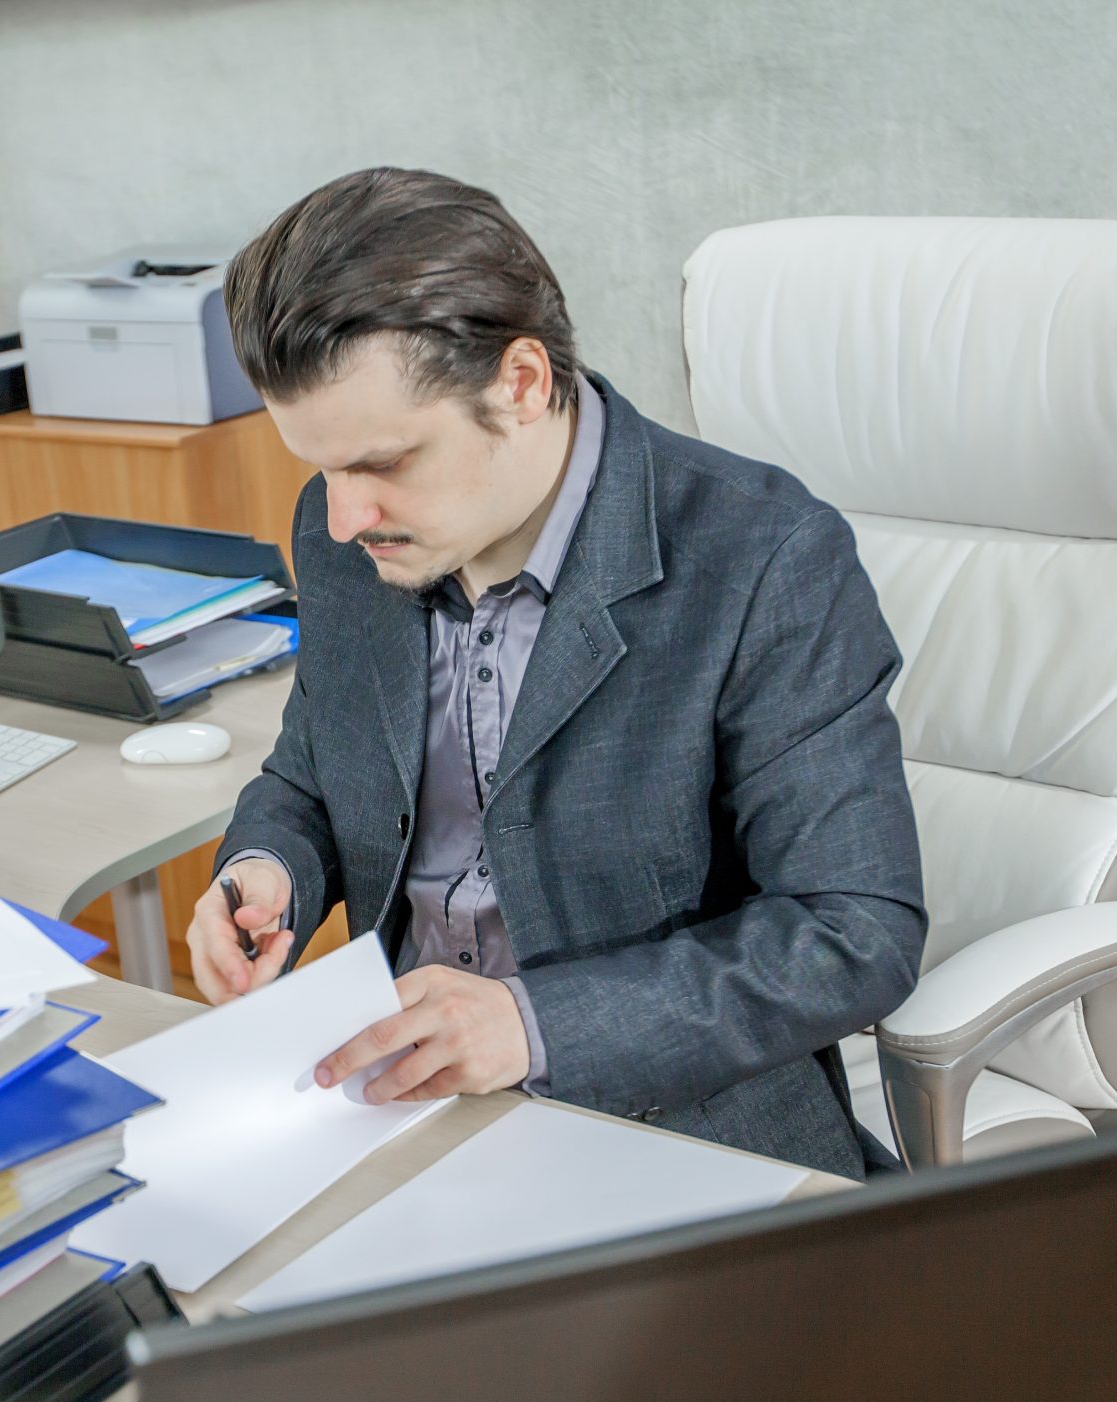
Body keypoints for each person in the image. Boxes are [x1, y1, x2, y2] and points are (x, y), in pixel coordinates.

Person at [186, 167, 925, 1178]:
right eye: (319, 468)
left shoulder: (761, 559)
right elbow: (312, 774)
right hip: (398, 1111)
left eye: (385, 461)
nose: (343, 514)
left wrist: (529, 1026)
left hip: (671, 1129)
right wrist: (264, 871)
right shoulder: (347, 535)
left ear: (520, 385)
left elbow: (853, 932)